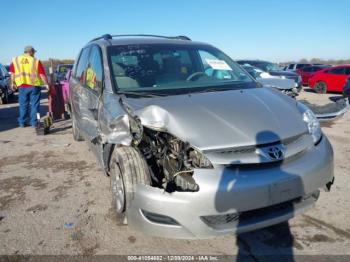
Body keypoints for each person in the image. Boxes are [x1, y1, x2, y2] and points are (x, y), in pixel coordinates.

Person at [10, 46, 50, 127]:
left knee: (23, 105)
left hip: (22, 86)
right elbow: (42, 74)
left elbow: (12, 74)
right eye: (34, 52)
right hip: (34, 86)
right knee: (34, 105)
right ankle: (34, 122)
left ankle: (22, 122)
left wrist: (12, 83)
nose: (34, 54)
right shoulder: (35, 61)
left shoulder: (16, 60)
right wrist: (46, 84)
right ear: (31, 52)